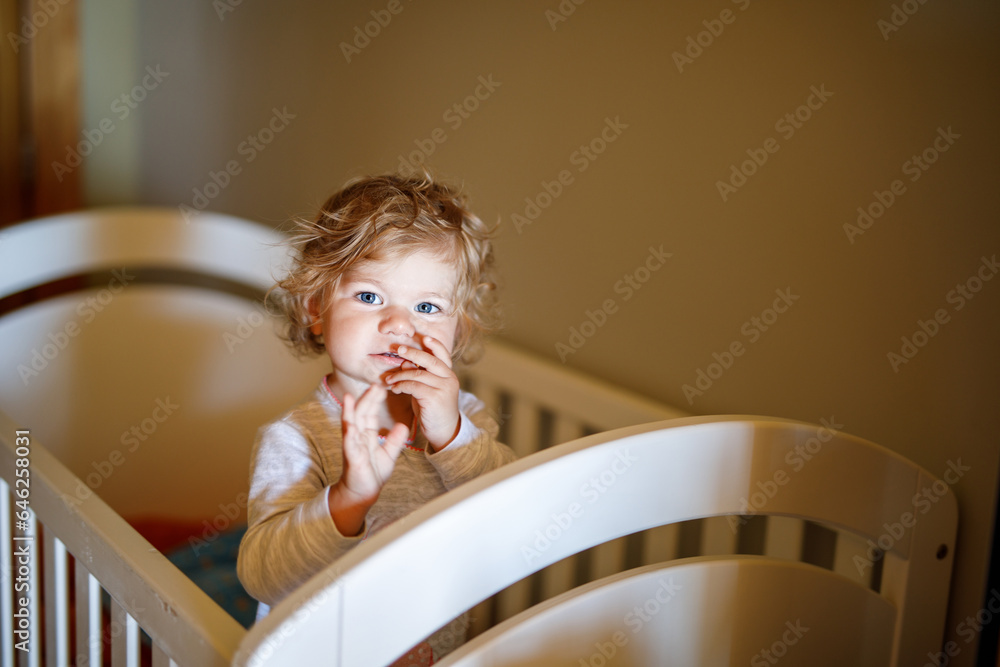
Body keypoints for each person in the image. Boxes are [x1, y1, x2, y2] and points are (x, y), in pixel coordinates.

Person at [237, 173, 516, 663]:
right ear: (315, 310)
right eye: (369, 297)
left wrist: (452, 437)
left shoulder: (465, 422)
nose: (400, 324)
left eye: (427, 307)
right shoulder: (297, 437)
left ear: (458, 332)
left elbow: (513, 517)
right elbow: (262, 575)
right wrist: (349, 500)